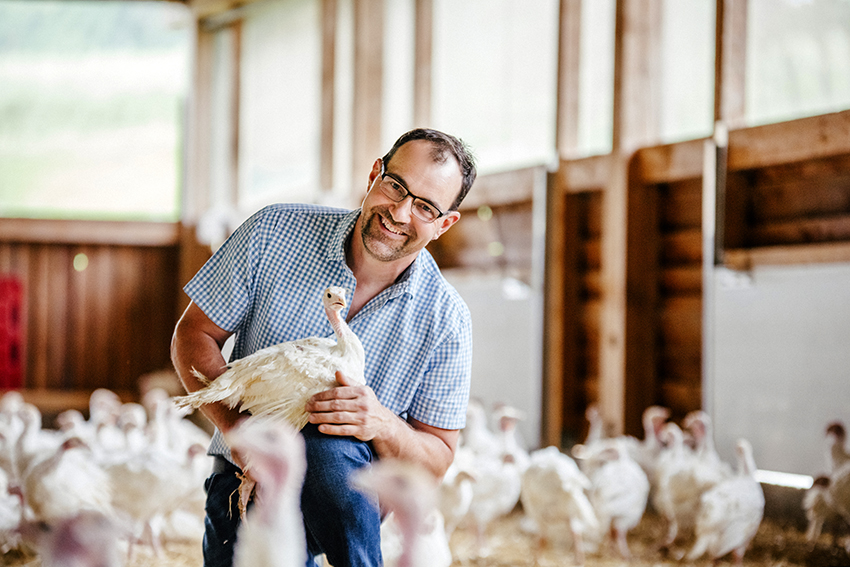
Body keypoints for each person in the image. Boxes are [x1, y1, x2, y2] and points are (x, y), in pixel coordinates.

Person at [170, 128, 477, 567]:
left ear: (444, 224)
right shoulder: (273, 232)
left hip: (353, 506)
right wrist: (242, 434)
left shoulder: (447, 319)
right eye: (395, 185)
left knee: (328, 443)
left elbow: (438, 457)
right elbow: (192, 335)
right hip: (248, 489)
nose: (400, 212)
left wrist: (382, 423)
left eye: (425, 207)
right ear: (375, 174)